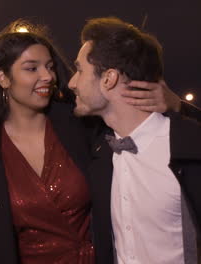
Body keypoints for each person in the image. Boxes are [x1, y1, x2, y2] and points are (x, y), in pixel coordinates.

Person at [0, 20, 182, 264]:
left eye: (49, 66)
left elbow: (136, 122)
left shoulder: (83, 126)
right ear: (4, 78)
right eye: (31, 68)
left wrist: (177, 105)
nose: (47, 76)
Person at [68, 17, 201, 263]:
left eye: (79, 70)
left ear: (108, 78)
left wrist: (180, 107)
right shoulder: (100, 153)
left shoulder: (190, 147)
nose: (71, 83)